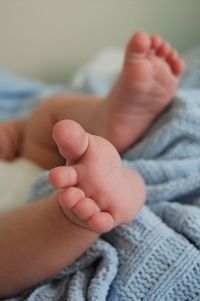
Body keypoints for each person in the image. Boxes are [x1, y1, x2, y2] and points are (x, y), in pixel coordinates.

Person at [0, 31, 183, 297]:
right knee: (72, 207)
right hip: (19, 222)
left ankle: (110, 119)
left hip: (26, 167)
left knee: (48, 112)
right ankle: (82, 209)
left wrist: (13, 133)